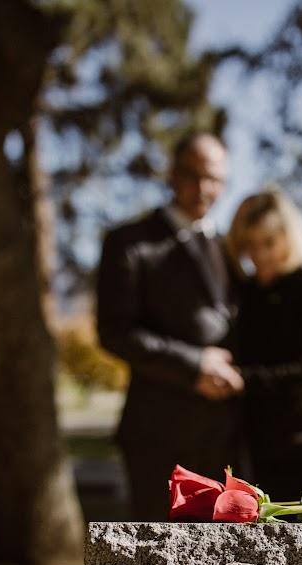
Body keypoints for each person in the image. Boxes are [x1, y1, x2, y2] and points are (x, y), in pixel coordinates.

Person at [97, 132, 245, 520]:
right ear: (172, 175)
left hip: (228, 437)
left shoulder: (230, 247)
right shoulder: (129, 242)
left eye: (215, 178)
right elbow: (114, 331)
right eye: (193, 175)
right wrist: (194, 364)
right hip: (158, 436)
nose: (204, 188)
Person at [226, 190, 302, 500]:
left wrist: (242, 379)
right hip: (261, 445)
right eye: (250, 245)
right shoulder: (245, 292)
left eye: (269, 243)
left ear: (288, 239)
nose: (260, 255)